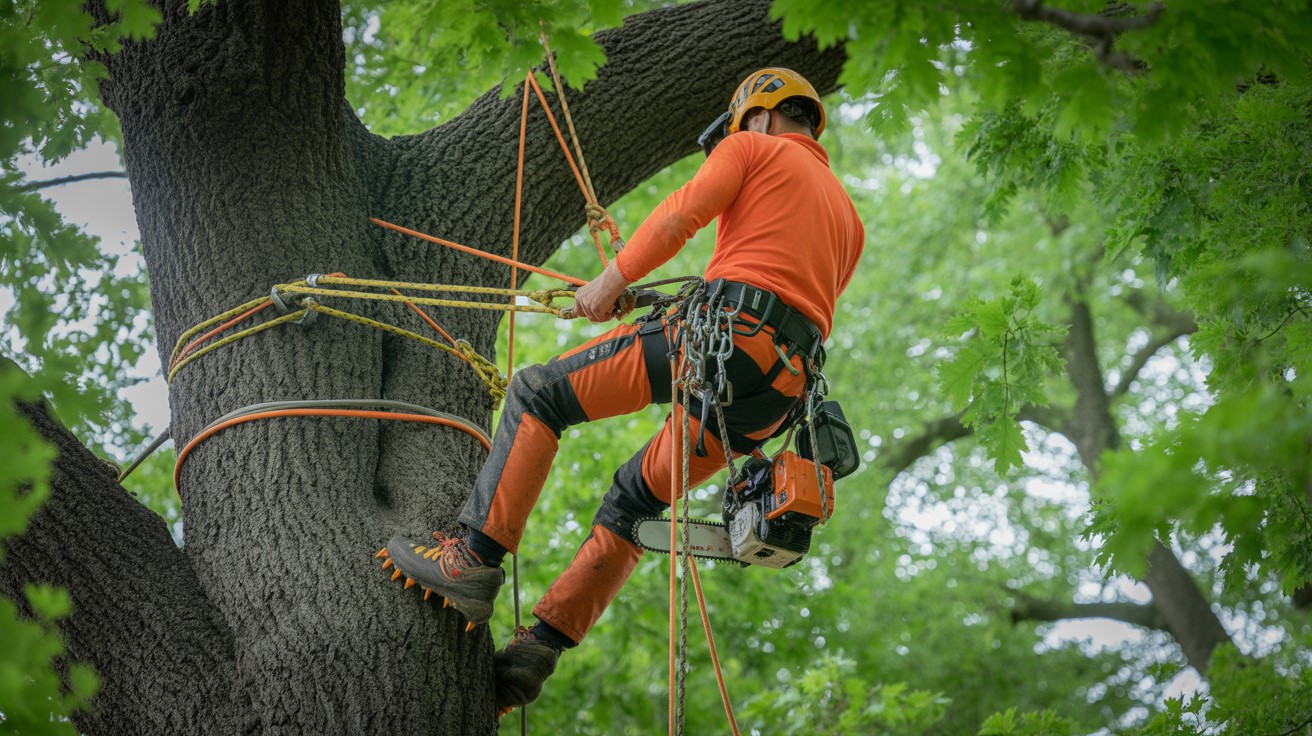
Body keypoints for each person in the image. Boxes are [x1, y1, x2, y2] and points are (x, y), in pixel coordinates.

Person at [380, 67, 865, 714]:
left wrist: (610, 281)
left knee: (538, 394)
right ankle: (538, 650)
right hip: (772, 395)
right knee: (634, 501)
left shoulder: (752, 147)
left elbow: (680, 215)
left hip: (720, 342)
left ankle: (471, 557)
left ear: (760, 115)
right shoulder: (848, 219)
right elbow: (784, 280)